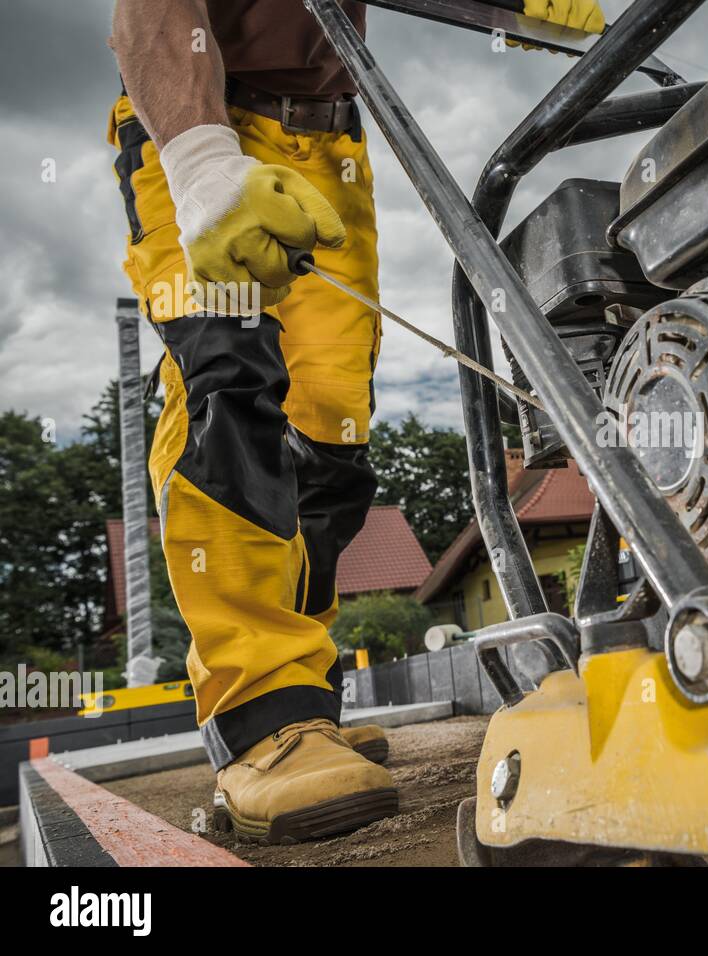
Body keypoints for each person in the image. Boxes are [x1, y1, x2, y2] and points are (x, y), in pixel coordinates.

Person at [107, 0, 604, 844]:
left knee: (331, 440)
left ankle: (308, 704)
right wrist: (198, 167)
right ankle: (260, 718)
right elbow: (145, 16)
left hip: (332, 145)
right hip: (204, 123)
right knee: (227, 383)